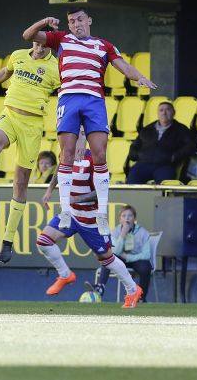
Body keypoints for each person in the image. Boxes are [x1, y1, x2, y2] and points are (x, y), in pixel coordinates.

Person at [22, 8, 154, 255]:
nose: (75, 24)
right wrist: (44, 21)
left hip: (94, 100)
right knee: (67, 155)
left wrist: (139, 77)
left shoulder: (103, 45)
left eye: (80, 19)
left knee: (100, 154)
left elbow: (123, 66)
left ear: (90, 20)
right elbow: (28, 35)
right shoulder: (61, 38)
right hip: (69, 99)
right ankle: (64, 211)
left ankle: (102, 213)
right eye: (71, 21)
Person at [0, 41, 60, 264]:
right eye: (36, 43)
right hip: (10, 114)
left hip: (32, 125)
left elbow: (66, 92)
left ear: (50, 47)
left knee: (20, 182)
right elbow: (4, 72)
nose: (38, 47)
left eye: (43, 45)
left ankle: (7, 240)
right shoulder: (18, 55)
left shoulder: (56, 68)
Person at [37, 130, 143, 308]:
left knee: (106, 259)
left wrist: (78, 199)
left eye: (79, 134)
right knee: (43, 241)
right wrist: (49, 190)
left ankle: (133, 290)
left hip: (91, 219)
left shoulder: (94, 159)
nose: (74, 137)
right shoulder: (66, 153)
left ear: (85, 138)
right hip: (70, 213)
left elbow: (101, 192)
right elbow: (60, 168)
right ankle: (65, 274)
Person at [125, 101, 197, 184]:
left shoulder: (181, 129)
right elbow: (135, 145)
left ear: (174, 113)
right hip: (143, 164)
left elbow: (193, 145)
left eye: (168, 110)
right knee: (132, 183)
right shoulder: (147, 129)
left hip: (165, 165)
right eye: (161, 110)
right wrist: (138, 155)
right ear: (158, 113)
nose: (164, 113)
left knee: (164, 187)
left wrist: (174, 156)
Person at [94, 205, 152, 301]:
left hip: (136, 259)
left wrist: (129, 257)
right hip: (120, 259)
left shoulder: (143, 232)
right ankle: (100, 287)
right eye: (123, 216)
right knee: (107, 257)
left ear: (134, 218)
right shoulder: (115, 232)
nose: (127, 218)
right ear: (120, 219)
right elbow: (115, 251)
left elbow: (146, 255)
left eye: (130, 216)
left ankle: (141, 297)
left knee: (146, 267)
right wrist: (123, 234)